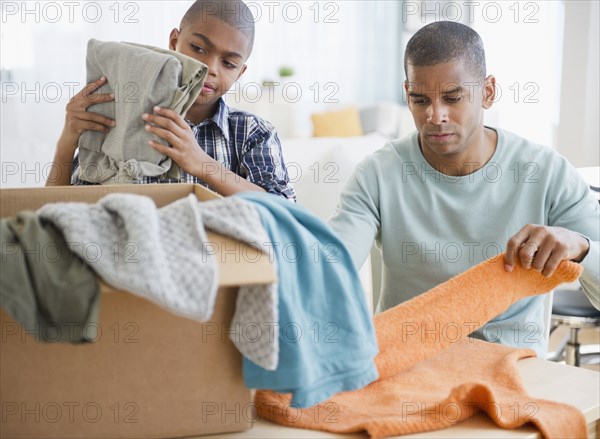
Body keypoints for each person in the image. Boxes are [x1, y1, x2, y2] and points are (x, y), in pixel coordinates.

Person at [328, 21, 599, 357]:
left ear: (487, 92)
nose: (435, 115)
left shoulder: (545, 171)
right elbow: (331, 266)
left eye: (453, 98)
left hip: (513, 370)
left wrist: (582, 247)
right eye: (419, 99)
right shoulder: (378, 173)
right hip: (408, 366)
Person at [46, 0, 296, 200]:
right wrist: (67, 141)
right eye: (198, 48)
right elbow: (55, 214)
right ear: (174, 42)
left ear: (240, 72)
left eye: (228, 63)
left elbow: (284, 212)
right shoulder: (121, 117)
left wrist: (202, 164)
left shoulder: (252, 133)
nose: (210, 68)